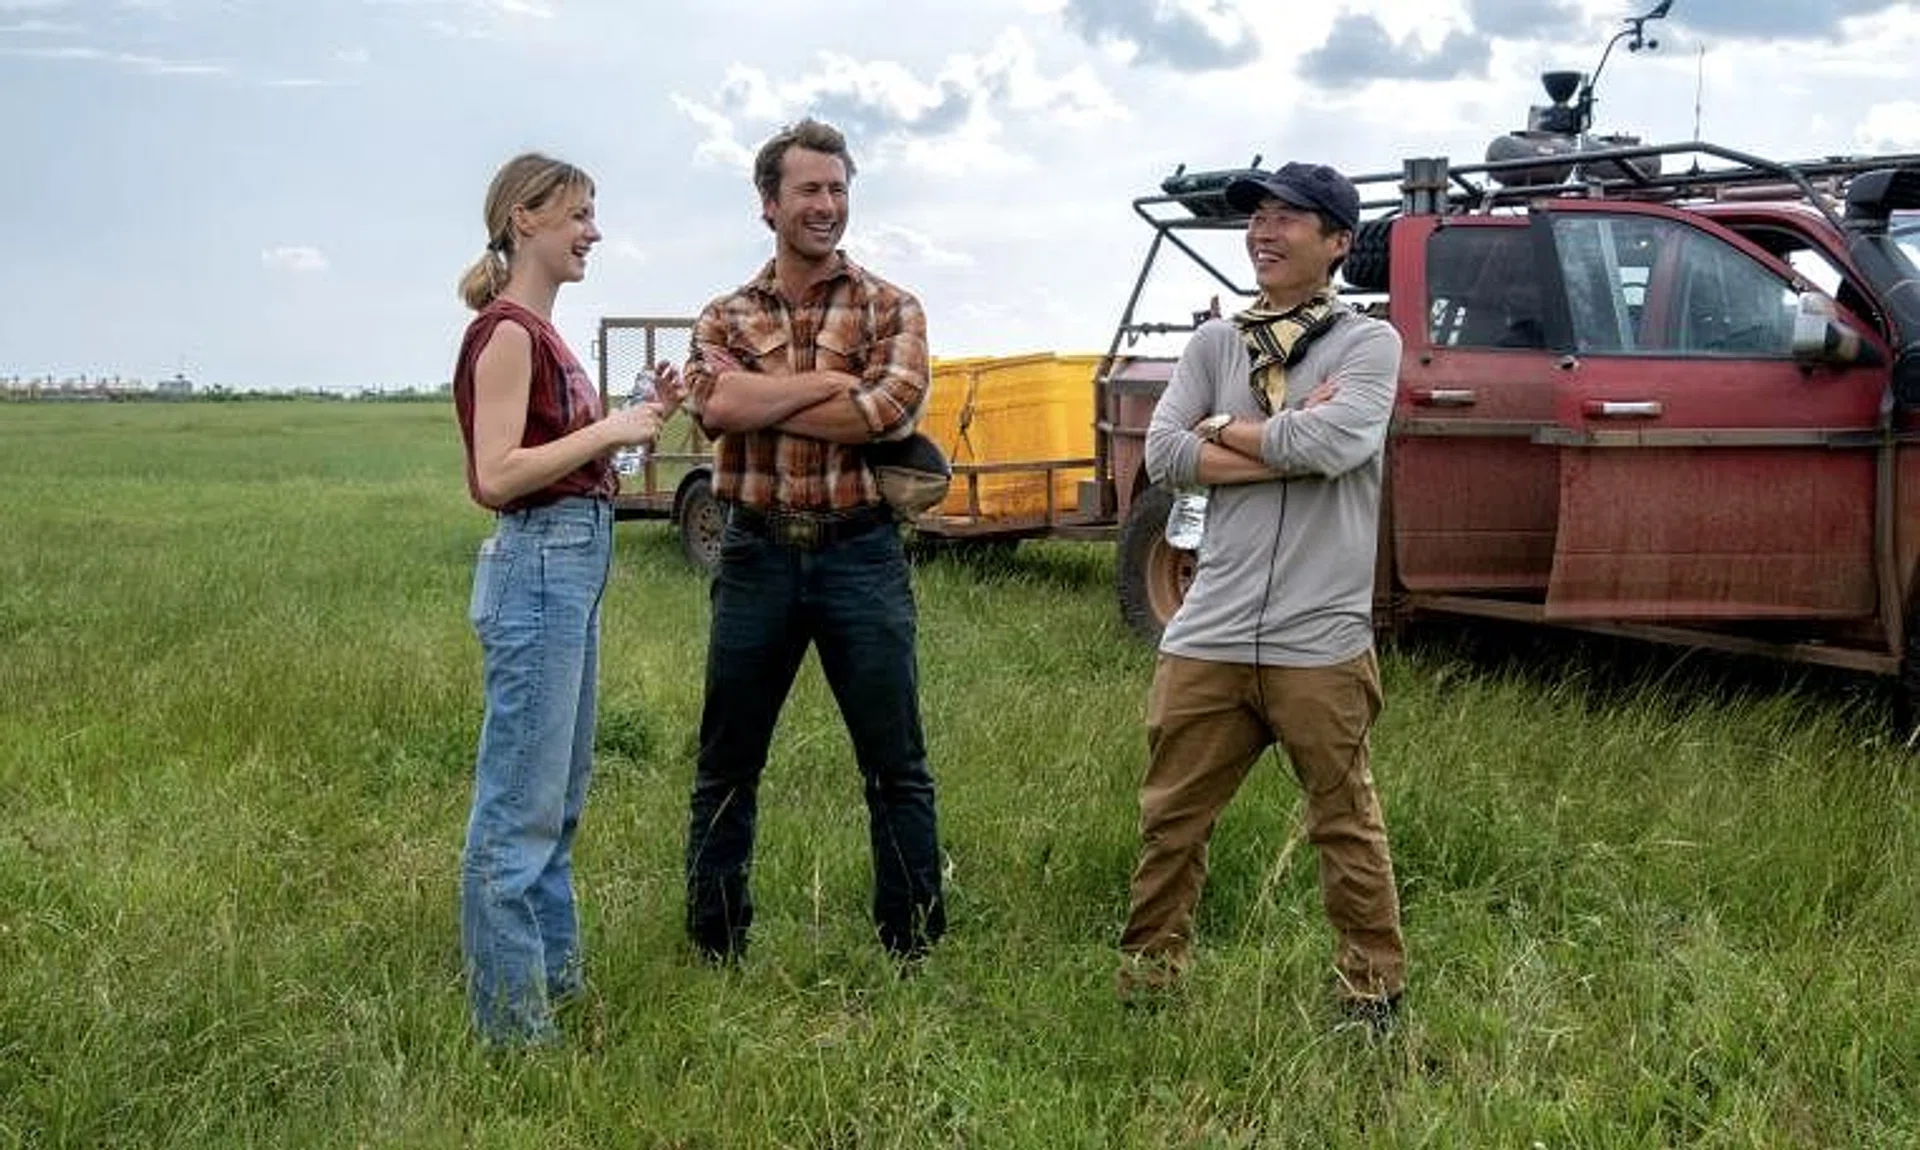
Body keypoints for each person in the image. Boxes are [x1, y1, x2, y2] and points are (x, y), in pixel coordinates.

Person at [1115, 162, 1408, 1029]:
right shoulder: (1216, 344)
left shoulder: (1367, 344)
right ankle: (1150, 985)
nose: (1263, 232)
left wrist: (1222, 428)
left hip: (1319, 637)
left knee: (1344, 821)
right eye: (1258, 217)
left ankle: (1371, 994)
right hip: (1208, 629)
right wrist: (1277, 440)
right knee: (1171, 822)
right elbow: (1164, 455)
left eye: (1289, 217)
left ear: (1339, 242)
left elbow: (1335, 443)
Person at [680, 118, 945, 964]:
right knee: (728, 761)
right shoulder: (724, 313)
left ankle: (910, 943)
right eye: (808, 190)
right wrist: (830, 382)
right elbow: (715, 408)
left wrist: (763, 397)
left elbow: (887, 413)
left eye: (837, 189)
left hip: (859, 555)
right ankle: (716, 942)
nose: (826, 205)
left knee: (895, 763)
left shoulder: (892, 306)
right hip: (754, 554)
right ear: (769, 204)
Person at [450, 152, 681, 1045]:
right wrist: (608, 428)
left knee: (557, 801)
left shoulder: (543, 335)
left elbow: (577, 464)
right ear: (526, 219)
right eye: (579, 215)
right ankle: (513, 1033)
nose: (594, 232)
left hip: (570, 565)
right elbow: (497, 475)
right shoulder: (507, 332)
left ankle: (556, 986)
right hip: (541, 567)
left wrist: (639, 417)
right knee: (517, 811)